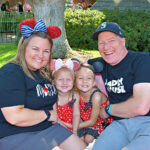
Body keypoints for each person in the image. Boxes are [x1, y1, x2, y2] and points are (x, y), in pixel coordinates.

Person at [0, 17, 86, 150]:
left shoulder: (43, 73)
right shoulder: (11, 72)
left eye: (46, 51)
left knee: (81, 147)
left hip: (48, 128)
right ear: (23, 48)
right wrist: (49, 114)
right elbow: (14, 117)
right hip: (17, 133)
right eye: (35, 49)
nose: (40, 55)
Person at [88, 22, 150, 150]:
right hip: (120, 124)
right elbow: (79, 64)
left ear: (123, 41)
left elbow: (141, 106)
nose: (106, 47)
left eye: (111, 40)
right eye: (101, 43)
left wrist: (107, 110)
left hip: (147, 122)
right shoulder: (101, 64)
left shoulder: (142, 61)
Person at [75, 64, 113, 146]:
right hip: (84, 118)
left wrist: (75, 126)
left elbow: (93, 121)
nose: (84, 81)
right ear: (75, 81)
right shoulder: (76, 93)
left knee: (88, 138)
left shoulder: (96, 96)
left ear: (94, 82)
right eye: (80, 78)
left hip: (98, 120)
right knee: (78, 137)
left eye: (89, 78)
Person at [51, 58, 81, 134]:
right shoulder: (53, 95)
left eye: (68, 79)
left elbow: (76, 114)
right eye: (60, 79)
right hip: (57, 126)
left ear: (73, 82)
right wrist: (67, 127)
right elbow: (55, 118)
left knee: (81, 141)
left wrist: (74, 131)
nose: (64, 82)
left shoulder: (75, 96)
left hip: (73, 126)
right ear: (53, 82)